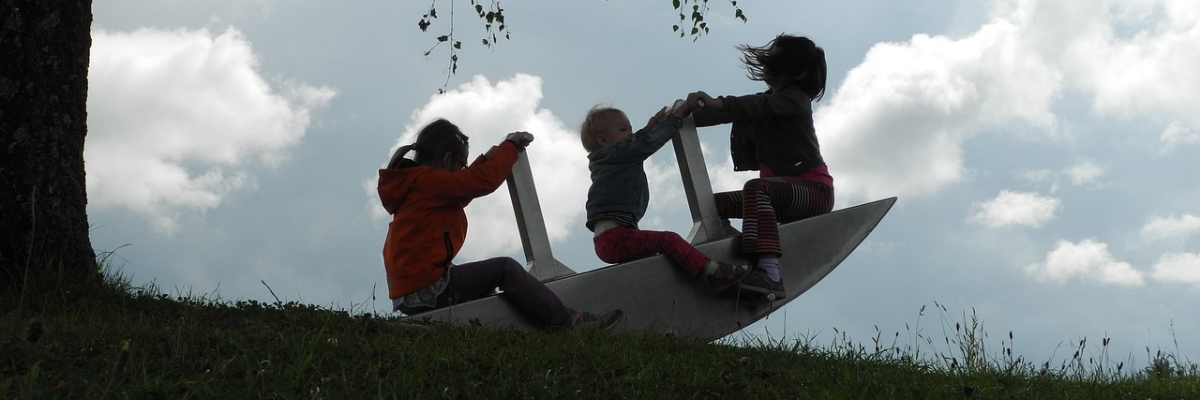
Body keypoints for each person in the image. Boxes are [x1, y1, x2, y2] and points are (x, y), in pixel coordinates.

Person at [378, 118, 621, 330]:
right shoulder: (428, 181)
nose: (463, 170)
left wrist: (486, 159)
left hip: (413, 290)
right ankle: (569, 323)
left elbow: (463, 186)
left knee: (486, 283)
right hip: (429, 288)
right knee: (505, 268)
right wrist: (510, 147)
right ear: (447, 158)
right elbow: (478, 182)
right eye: (461, 165)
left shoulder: (418, 183)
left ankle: (553, 320)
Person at [685, 34, 835, 300]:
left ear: (798, 73)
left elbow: (753, 106)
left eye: (774, 64)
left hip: (813, 192)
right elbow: (730, 112)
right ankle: (729, 262)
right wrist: (680, 116)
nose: (766, 69)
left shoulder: (795, 99)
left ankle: (770, 276)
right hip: (778, 198)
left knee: (757, 189)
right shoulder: (767, 101)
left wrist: (718, 102)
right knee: (712, 205)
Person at [580, 103, 751, 291]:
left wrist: (651, 125)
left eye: (630, 128)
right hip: (614, 238)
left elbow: (637, 140)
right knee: (668, 240)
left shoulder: (610, 157)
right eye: (623, 129)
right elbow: (646, 144)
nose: (630, 133)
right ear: (602, 140)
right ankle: (714, 273)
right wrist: (675, 119)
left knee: (657, 255)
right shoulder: (617, 153)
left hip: (612, 238)